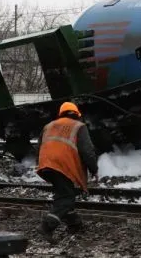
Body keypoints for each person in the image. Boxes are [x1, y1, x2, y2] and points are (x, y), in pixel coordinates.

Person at [36, 101, 98, 243]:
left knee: (64, 193)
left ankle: (74, 224)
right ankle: (47, 227)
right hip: (63, 165)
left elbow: (39, 147)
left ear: (61, 114)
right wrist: (93, 169)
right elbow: (87, 151)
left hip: (46, 164)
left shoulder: (49, 126)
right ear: (77, 114)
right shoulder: (79, 126)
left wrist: (39, 164)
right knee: (66, 197)